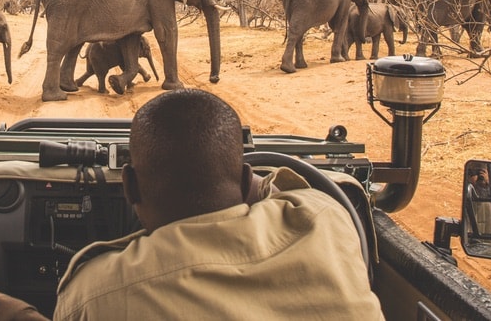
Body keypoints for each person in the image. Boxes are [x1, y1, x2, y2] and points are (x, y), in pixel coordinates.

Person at [54, 88, 384, 320]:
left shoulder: (92, 296)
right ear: (244, 181)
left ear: (129, 187)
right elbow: (278, 187)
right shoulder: (324, 218)